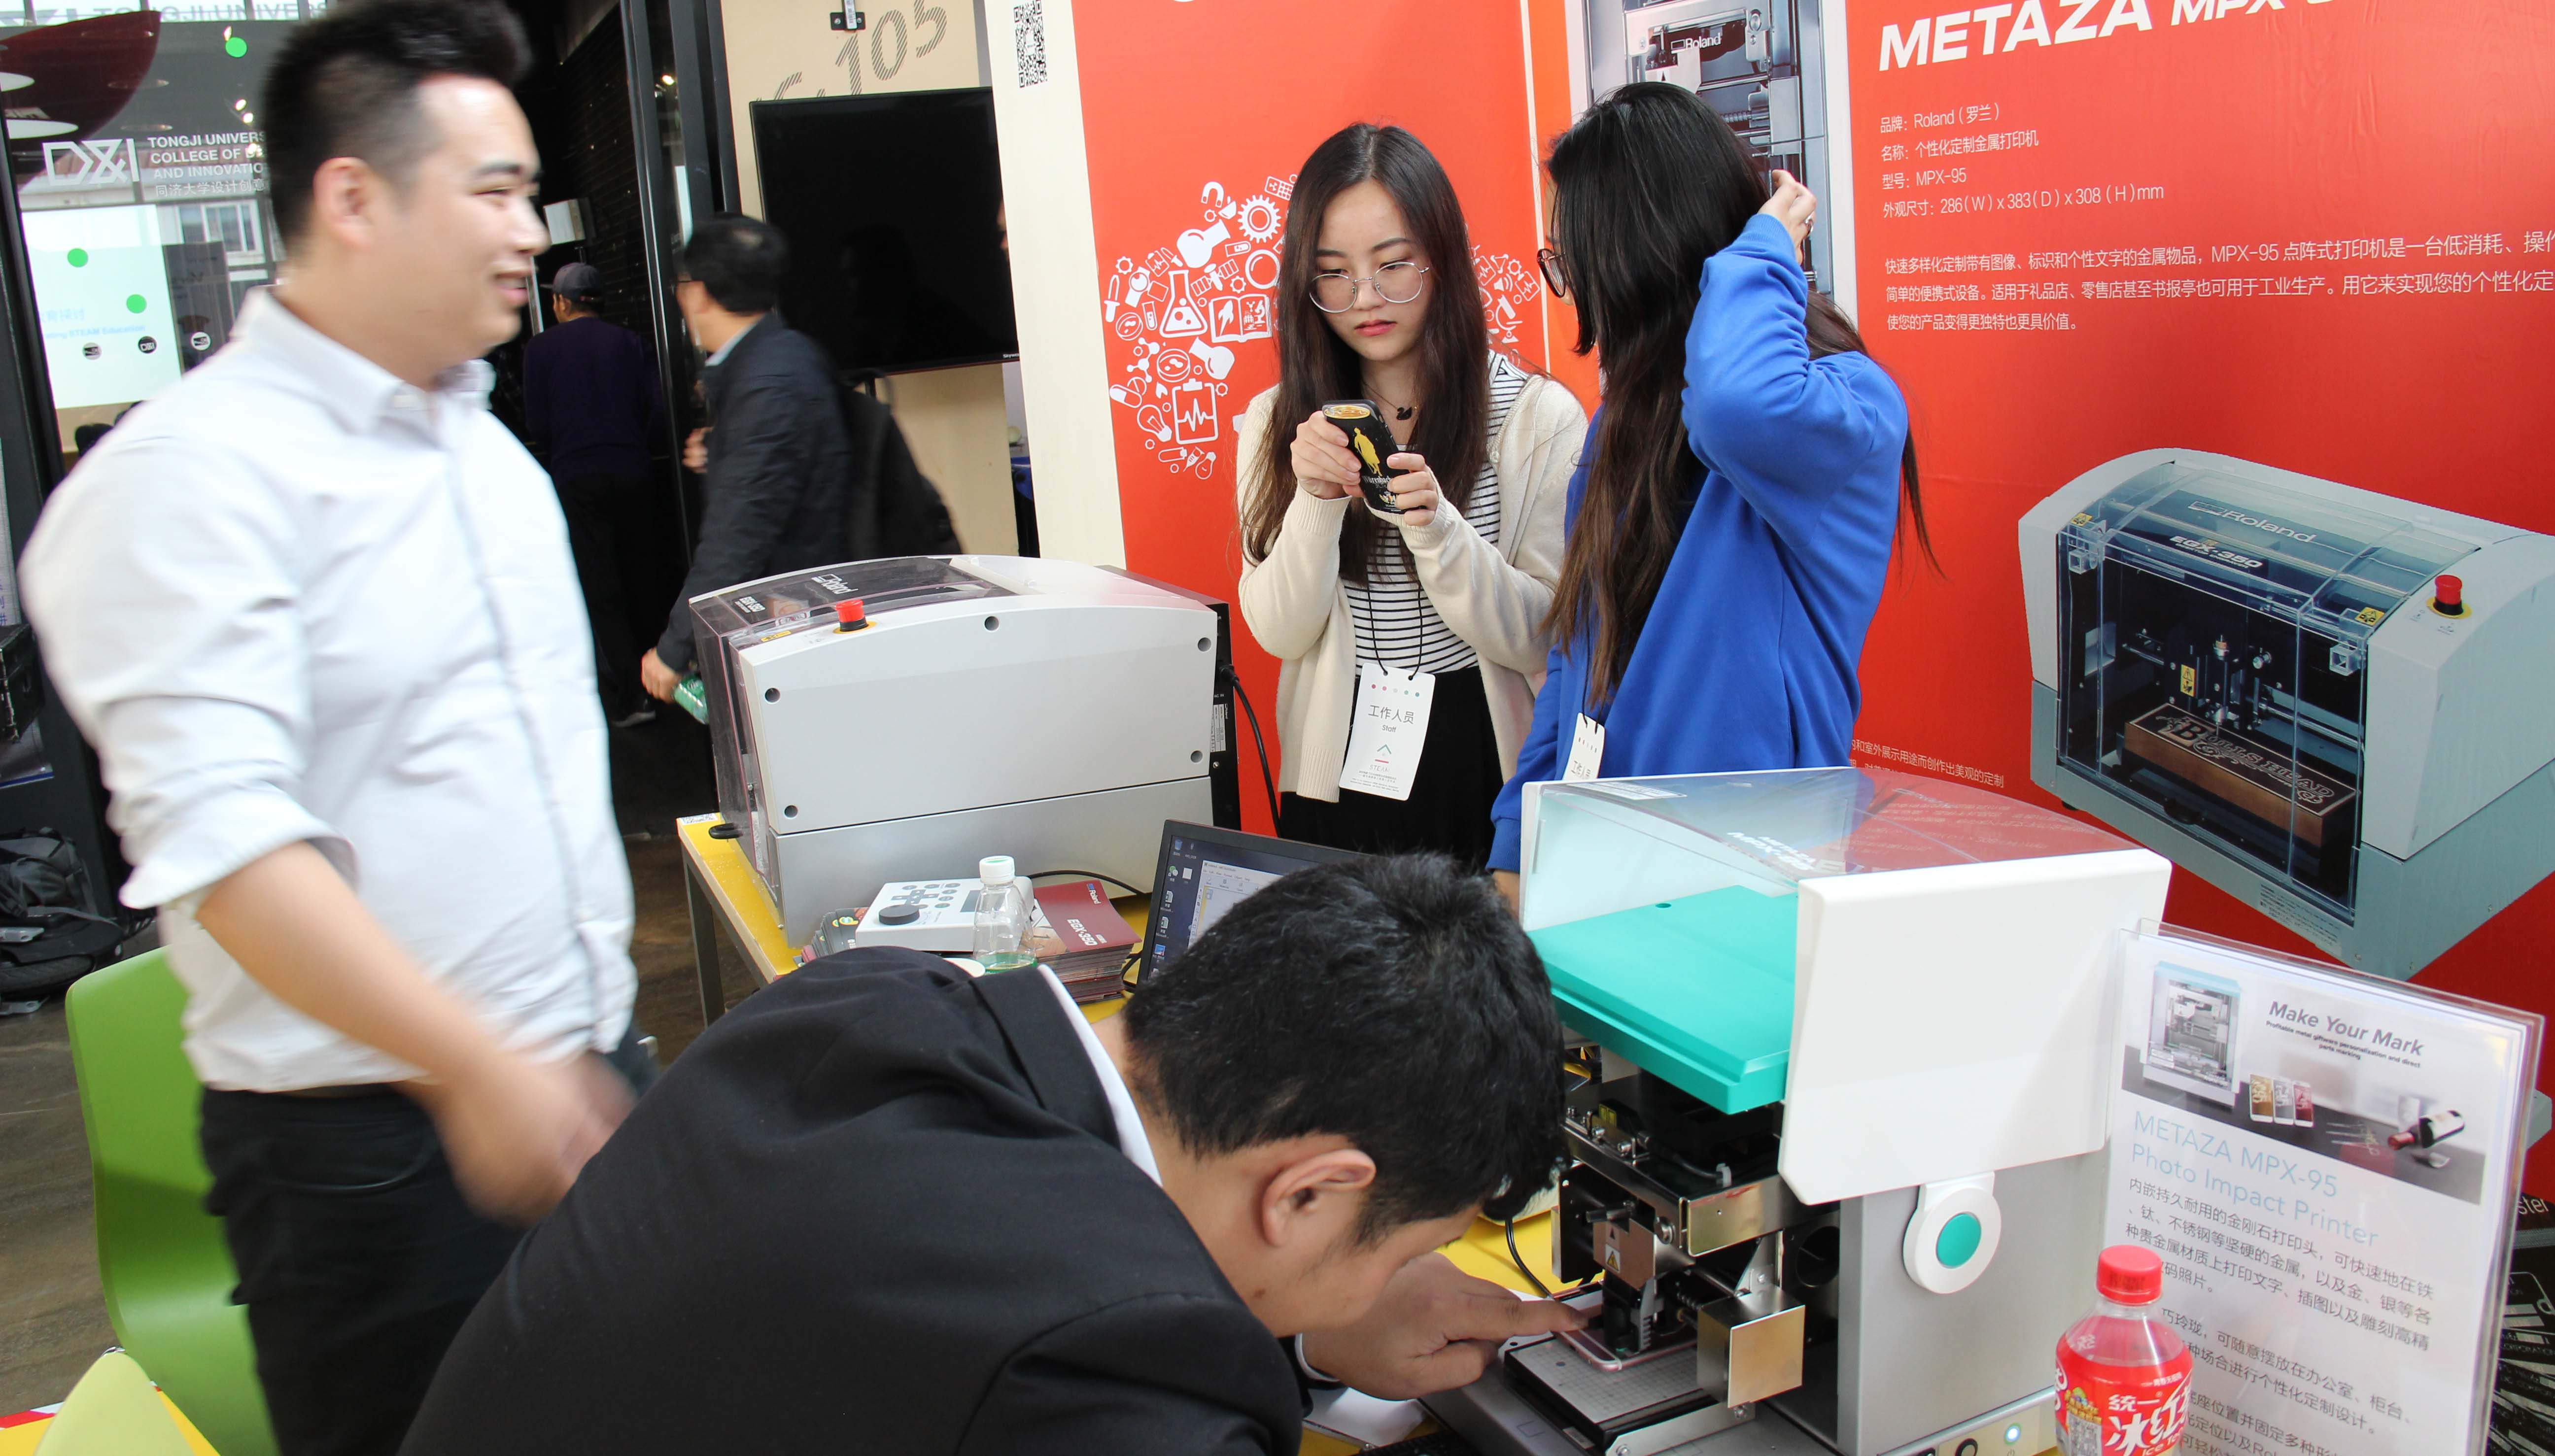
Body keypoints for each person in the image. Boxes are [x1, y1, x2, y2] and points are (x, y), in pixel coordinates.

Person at [20, 4, 652, 1453]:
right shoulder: (191, 479)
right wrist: (472, 1069)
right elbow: (233, 856)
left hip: (579, 1078)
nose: (531, 229)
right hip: (383, 1153)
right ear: (354, 197)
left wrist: (573, 1058)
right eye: (494, 190)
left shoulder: (480, 445)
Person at [398, 855, 1579, 1453]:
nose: (1397, 1281)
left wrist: (1313, 1326)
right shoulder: (1128, 1389)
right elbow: (1086, 1355)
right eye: (1404, 1251)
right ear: (1310, 1189)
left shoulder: (869, 1002)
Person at [1488, 83, 1930, 898]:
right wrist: (1516, 840)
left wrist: (1763, 249)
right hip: (1602, 864)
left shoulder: (1844, 405)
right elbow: (1578, 651)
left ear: (1640, 262)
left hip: (1746, 877)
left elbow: (1737, 404)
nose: (1575, 293)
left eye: (1574, 265)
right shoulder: (1624, 422)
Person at [1236, 124, 1585, 867]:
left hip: (1485, 758)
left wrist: (1440, 533)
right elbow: (1280, 631)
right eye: (1334, 274)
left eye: (1393, 265)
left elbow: (1544, 635)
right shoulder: (1278, 421)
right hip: (1338, 759)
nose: (1366, 297)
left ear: (1442, 257)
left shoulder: (1535, 416)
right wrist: (1316, 499)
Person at [638, 215, 854, 703]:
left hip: (799, 617)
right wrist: (723, 449)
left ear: (697, 293)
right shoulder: (785, 357)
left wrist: (674, 649)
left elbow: (737, 538)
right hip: (812, 600)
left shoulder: (767, 385)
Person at [522, 259, 667, 728]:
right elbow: (656, 411)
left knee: (602, 586)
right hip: (633, 469)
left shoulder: (540, 349)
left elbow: (538, 423)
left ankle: (632, 698)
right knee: (643, 575)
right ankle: (665, 681)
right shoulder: (632, 343)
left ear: (562, 303)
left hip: (577, 475)